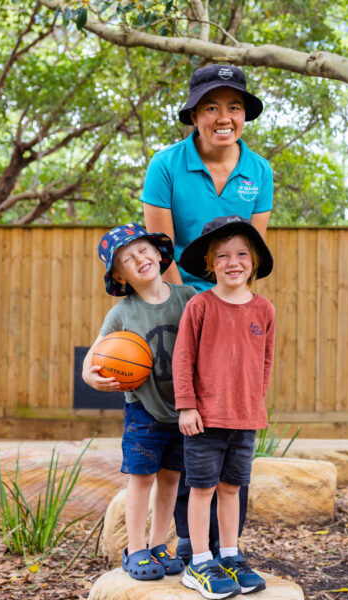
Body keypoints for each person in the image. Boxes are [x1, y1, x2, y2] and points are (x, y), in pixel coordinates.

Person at [142, 63, 271, 566]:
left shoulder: (258, 171)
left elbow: (250, 252)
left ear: (244, 115)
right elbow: (160, 250)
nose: (224, 117)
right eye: (212, 107)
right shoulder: (166, 164)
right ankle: (187, 546)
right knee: (187, 423)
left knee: (232, 424)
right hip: (180, 303)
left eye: (234, 107)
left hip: (230, 306)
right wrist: (194, 306)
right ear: (194, 114)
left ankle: (226, 548)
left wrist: (228, 306)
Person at [82, 223, 196, 581]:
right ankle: (136, 550)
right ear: (120, 275)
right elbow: (93, 357)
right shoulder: (122, 314)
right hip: (143, 410)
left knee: (171, 480)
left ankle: (159, 545)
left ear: (159, 253)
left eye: (144, 250)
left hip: (181, 410)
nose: (140, 259)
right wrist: (91, 378)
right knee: (141, 480)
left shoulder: (188, 297)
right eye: (128, 260)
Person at [173, 215, 275, 598]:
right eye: (223, 256)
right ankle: (199, 561)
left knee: (232, 488)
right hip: (204, 419)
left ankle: (229, 554)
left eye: (242, 255)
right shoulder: (200, 306)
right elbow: (182, 359)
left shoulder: (264, 309)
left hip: (244, 419)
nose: (233, 262)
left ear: (254, 262)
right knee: (202, 490)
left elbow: (265, 361)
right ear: (209, 264)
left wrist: (255, 403)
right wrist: (187, 406)